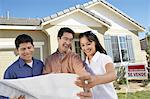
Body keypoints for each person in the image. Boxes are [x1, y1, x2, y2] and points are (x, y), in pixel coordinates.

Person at [76, 31, 118, 99]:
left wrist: (96, 79)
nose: (86, 48)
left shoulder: (104, 58)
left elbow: (112, 75)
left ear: (95, 43)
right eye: (83, 45)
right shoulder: (84, 64)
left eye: (88, 44)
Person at [1, 34, 44, 99]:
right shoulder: (11, 71)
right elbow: (3, 95)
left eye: (29, 48)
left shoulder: (40, 65)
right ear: (17, 50)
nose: (27, 51)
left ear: (33, 47)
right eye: (23, 49)